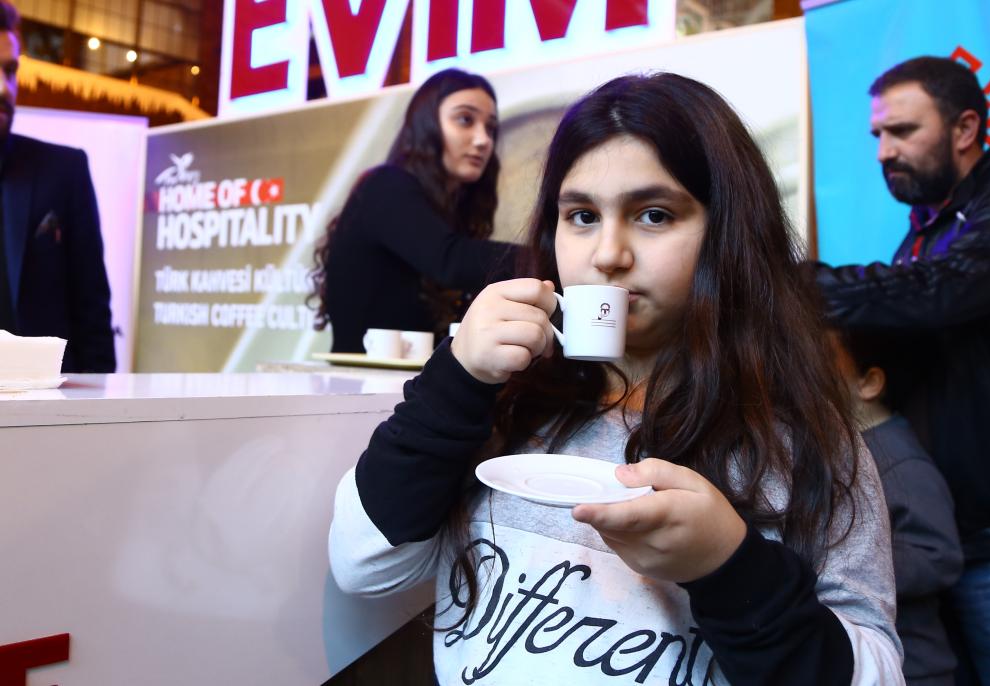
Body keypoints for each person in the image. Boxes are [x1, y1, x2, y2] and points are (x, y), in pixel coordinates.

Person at [329, 73, 904, 684]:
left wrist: (729, 567)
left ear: (728, 235)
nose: (607, 253)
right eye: (580, 215)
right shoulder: (502, 408)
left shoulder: (802, 444)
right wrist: (458, 377)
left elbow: (877, 673)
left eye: (653, 214)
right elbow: (364, 566)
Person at [811, 55, 990, 684]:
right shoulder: (925, 230)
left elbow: (931, 293)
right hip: (956, 533)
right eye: (877, 136)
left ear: (966, 128)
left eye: (902, 132)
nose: (883, 151)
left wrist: (776, 281)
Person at [309, 68, 517, 352]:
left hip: (408, 387)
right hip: (364, 388)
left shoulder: (448, 214)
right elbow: (450, 260)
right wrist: (551, 255)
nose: (483, 140)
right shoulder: (385, 186)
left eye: (490, 128)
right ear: (426, 125)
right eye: (465, 120)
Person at [827, 319, 962, 686]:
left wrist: (849, 562)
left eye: (824, 362)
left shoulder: (898, 459)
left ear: (869, 383)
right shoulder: (846, 450)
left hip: (914, 668)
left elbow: (938, 552)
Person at [0, 1, 115, 372]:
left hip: (47, 413)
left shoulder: (63, 171)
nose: (4, 87)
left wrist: (98, 419)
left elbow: (93, 314)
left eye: (10, 70)